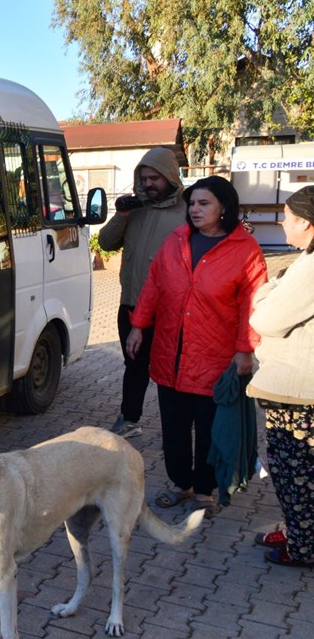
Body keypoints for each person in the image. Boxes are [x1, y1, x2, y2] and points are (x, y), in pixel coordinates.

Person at [126, 176, 267, 518]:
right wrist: (138, 326)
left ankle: (204, 491)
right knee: (173, 427)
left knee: (208, 430)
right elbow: (154, 286)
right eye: (192, 204)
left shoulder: (245, 250)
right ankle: (180, 484)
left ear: (224, 208)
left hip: (213, 359)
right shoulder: (175, 241)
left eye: (204, 203)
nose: (195, 209)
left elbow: (253, 304)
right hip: (170, 353)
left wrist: (244, 349)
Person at [98, 147, 186, 438]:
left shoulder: (187, 212)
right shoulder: (133, 210)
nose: (148, 184)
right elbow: (107, 243)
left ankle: (177, 427)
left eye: (155, 178)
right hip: (132, 305)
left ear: (170, 177)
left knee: (170, 369)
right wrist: (121, 214)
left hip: (170, 310)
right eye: (144, 177)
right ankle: (130, 419)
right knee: (134, 365)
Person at [247, 186, 314, 567]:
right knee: (297, 471)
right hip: (297, 387)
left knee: (295, 472)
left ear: (305, 221)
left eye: (287, 216)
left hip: (300, 392)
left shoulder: (309, 268)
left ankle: (303, 547)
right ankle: (297, 531)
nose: (282, 221)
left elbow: (264, 318)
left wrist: (265, 294)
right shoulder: (305, 260)